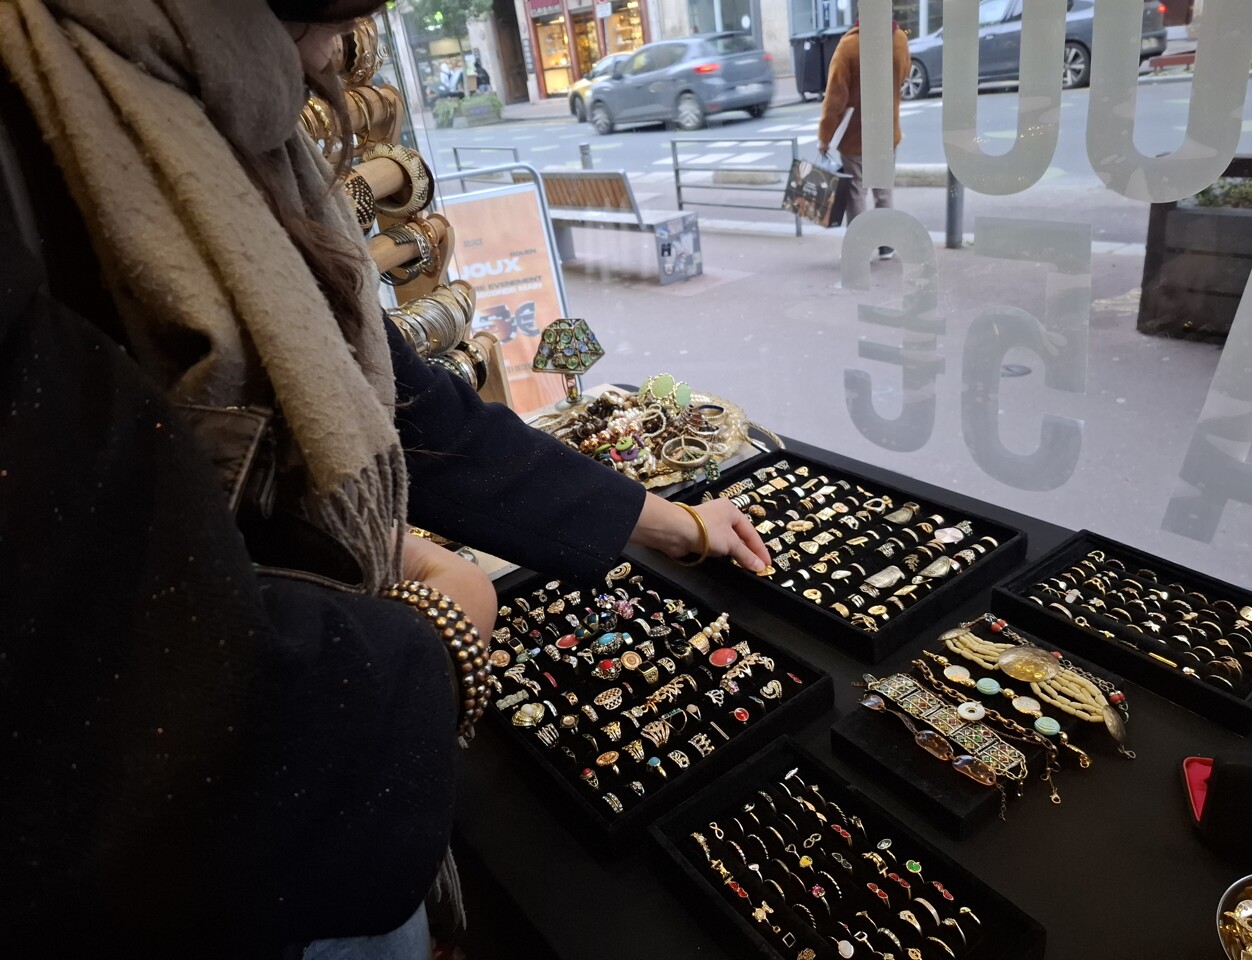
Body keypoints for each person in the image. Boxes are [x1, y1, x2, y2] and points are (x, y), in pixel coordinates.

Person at [0, 1, 768, 957]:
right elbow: (90, 671)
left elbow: (407, 407)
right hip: (218, 849)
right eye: (338, 20)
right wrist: (438, 640)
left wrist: (663, 519)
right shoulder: (46, 148)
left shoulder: (216, 121)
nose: (344, 54)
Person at [817, 19, 910, 259]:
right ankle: (886, 245)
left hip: (855, 135)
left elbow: (835, 98)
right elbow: (904, 75)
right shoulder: (899, 39)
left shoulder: (849, 46)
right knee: (883, 191)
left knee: (856, 192)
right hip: (887, 132)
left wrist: (825, 136)